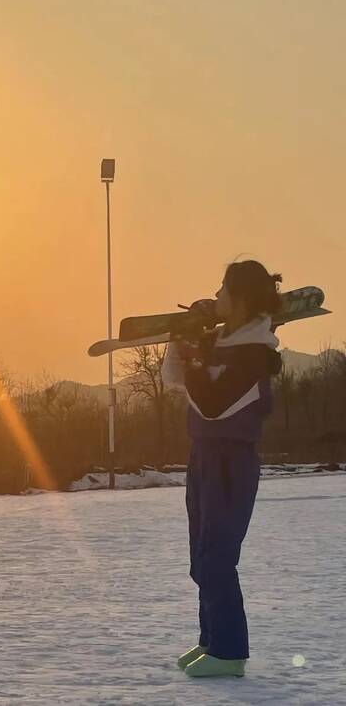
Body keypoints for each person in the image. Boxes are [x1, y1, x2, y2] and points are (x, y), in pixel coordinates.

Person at [161, 260, 282, 678]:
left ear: (242, 298)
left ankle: (230, 652)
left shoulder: (255, 353)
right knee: (200, 555)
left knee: (217, 556)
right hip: (203, 455)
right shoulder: (226, 342)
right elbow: (176, 379)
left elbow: (214, 406)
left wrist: (197, 355)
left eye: (222, 291)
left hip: (231, 458)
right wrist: (185, 342)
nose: (216, 297)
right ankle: (211, 640)